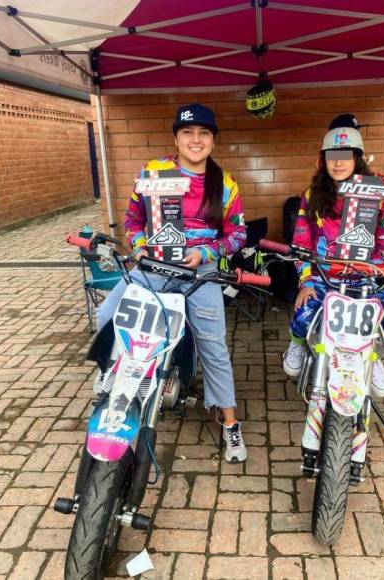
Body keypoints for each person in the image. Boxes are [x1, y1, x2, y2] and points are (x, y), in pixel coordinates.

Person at [97, 103, 248, 462]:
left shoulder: (224, 184)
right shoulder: (154, 171)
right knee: (108, 313)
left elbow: (238, 235)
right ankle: (114, 376)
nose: (195, 140)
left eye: (204, 133)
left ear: (213, 140)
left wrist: (207, 253)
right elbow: (133, 220)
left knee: (214, 348)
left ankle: (230, 423)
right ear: (176, 138)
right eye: (187, 132)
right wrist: (140, 247)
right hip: (153, 267)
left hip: (201, 273)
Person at [283, 114, 384, 396]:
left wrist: (374, 268)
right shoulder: (311, 195)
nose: (338, 162)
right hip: (323, 277)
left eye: (345, 156)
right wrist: (307, 280)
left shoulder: (376, 196)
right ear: (323, 160)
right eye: (331, 156)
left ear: (357, 159)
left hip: (363, 280)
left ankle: (371, 356)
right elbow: (302, 241)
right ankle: (298, 344)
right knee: (303, 314)